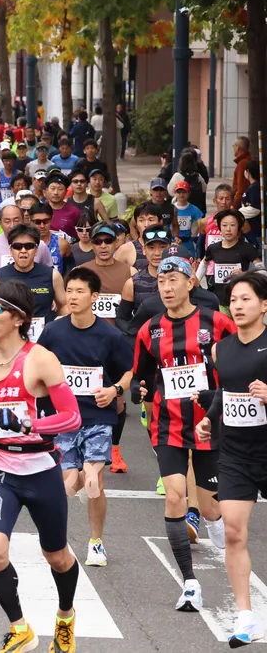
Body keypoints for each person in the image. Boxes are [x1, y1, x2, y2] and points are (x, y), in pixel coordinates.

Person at [0, 281, 82, 653]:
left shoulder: (39, 359)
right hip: (1, 471)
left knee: (57, 557)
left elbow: (72, 417)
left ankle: (65, 616)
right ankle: (19, 627)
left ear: (18, 318)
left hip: (42, 469)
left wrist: (32, 426)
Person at [133, 253, 232, 611]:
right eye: (161, 280)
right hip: (168, 424)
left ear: (191, 283)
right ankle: (190, 582)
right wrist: (138, 388)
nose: (167, 286)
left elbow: (237, 365)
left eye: (174, 279)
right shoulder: (150, 329)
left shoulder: (217, 322)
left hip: (209, 423)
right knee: (175, 496)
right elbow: (141, 374)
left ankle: (219, 534)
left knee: (208, 508)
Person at [37, 267, 134, 568]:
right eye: (70, 291)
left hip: (98, 416)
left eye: (80, 291)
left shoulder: (110, 335)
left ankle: (96, 542)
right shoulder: (53, 331)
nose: (74, 296)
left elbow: (129, 371)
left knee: (93, 480)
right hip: (64, 418)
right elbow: (36, 366)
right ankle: (57, 541)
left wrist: (115, 390)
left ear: (94, 296)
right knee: (69, 484)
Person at [196, 272, 267, 646]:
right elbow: (227, 389)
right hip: (237, 452)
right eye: (233, 300)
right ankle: (246, 618)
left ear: (264, 305)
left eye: (246, 299)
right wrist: (210, 418)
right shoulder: (222, 349)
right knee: (235, 533)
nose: (237, 306)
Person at [198, 209, 260, 307]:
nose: (228, 229)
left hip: (241, 301)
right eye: (224, 225)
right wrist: (196, 279)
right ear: (219, 227)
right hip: (220, 301)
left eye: (232, 225)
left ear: (239, 227)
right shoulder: (213, 248)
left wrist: (245, 275)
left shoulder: (247, 248)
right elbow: (204, 263)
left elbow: (262, 271)